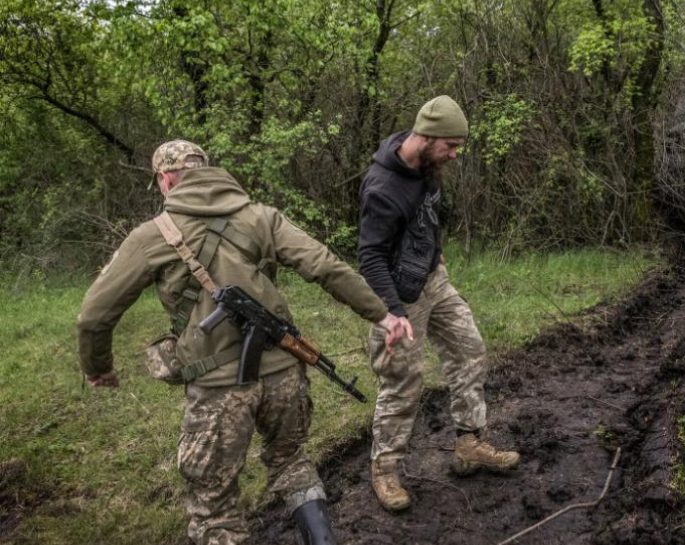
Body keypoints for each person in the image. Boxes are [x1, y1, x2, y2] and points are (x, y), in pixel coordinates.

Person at [77, 140, 407, 545]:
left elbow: (94, 316)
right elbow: (325, 266)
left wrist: (98, 369)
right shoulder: (261, 216)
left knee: (214, 506)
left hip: (218, 389)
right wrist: (382, 313)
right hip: (285, 372)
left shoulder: (150, 237)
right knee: (292, 462)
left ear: (165, 180)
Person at [358, 95, 520, 512]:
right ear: (425, 137)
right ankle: (386, 471)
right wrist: (392, 311)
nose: (454, 153)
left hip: (434, 280)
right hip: (396, 298)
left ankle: (470, 444)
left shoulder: (427, 166)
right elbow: (370, 257)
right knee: (402, 384)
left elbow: (429, 215)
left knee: (470, 351)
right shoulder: (382, 188)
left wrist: (435, 252)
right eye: (450, 145)